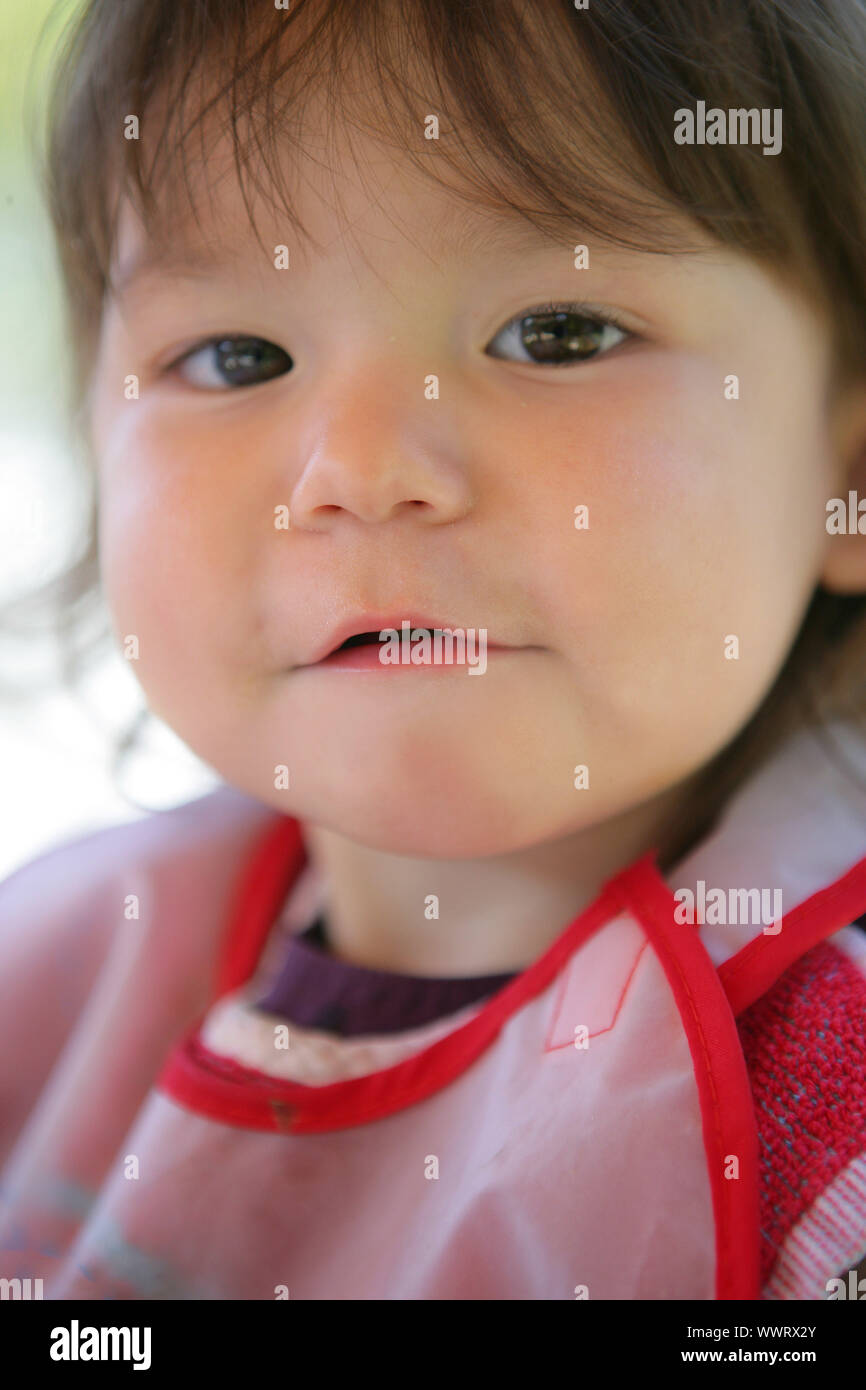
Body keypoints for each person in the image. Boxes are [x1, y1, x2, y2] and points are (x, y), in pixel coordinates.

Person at [1, 0, 865, 1300]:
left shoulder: (823, 1119)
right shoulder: (58, 967)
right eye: (237, 356)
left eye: (556, 334)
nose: (358, 469)